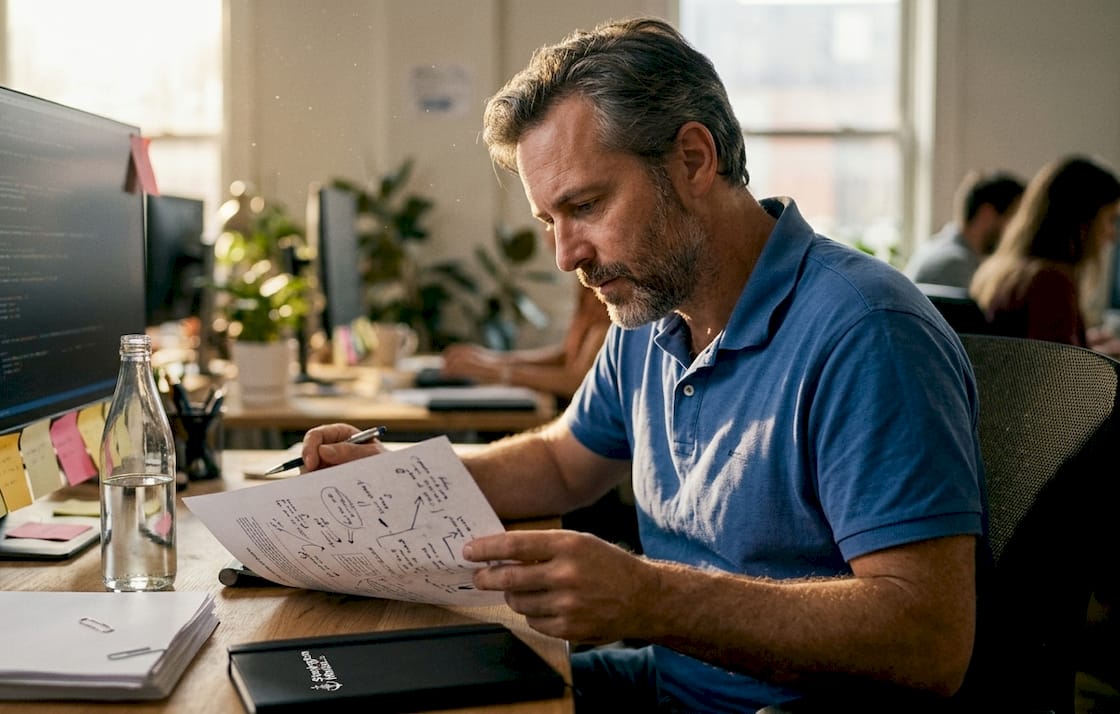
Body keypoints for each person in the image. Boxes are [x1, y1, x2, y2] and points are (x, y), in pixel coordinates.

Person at [300, 18, 984, 712]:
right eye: (549, 221)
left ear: (692, 160)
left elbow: (929, 640)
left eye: (586, 206)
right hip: (666, 686)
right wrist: (395, 473)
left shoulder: (865, 330)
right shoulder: (653, 309)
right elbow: (565, 462)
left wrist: (651, 597)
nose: (566, 255)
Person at [969, 156, 1120, 351]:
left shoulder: (1005, 271)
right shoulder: (1050, 282)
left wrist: (1089, 346)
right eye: (1110, 220)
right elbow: (1059, 374)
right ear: (1083, 222)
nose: (1113, 235)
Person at [439, 282, 611, 401]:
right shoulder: (587, 289)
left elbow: (577, 381)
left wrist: (496, 371)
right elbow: (566, 355)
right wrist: (490, 359)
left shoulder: (609, 321)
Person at [904, 171, 1025, 288]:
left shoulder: (935, 247)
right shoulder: (956, 266)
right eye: (1015, 217)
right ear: (987, 214)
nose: (1019, 229)